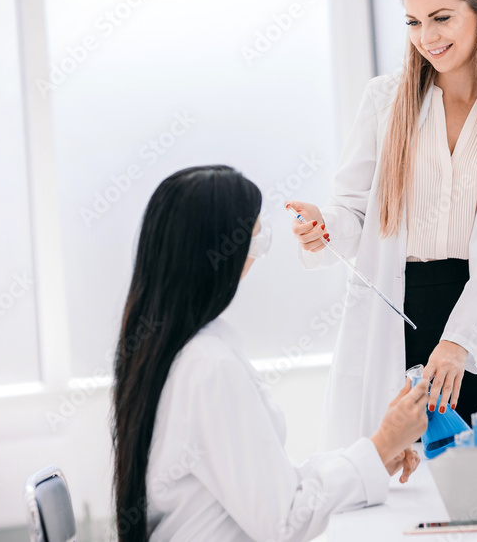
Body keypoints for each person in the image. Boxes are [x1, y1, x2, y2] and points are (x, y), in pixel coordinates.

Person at [289, 0, 477, 450]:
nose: (427, 37)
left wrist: (459, 341)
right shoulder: (385, 100)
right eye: (412, 22)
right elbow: (355, 211)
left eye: (441, 18)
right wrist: (324, 225)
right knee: (394, 479)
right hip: (398, 310)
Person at [111, 165, 428, 542]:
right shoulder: (209, 368)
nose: (259, 253)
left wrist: (374, 456)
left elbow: (278, 484)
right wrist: (381, 445)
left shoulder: (180, 349)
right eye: (254, 240)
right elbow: (285, 522)